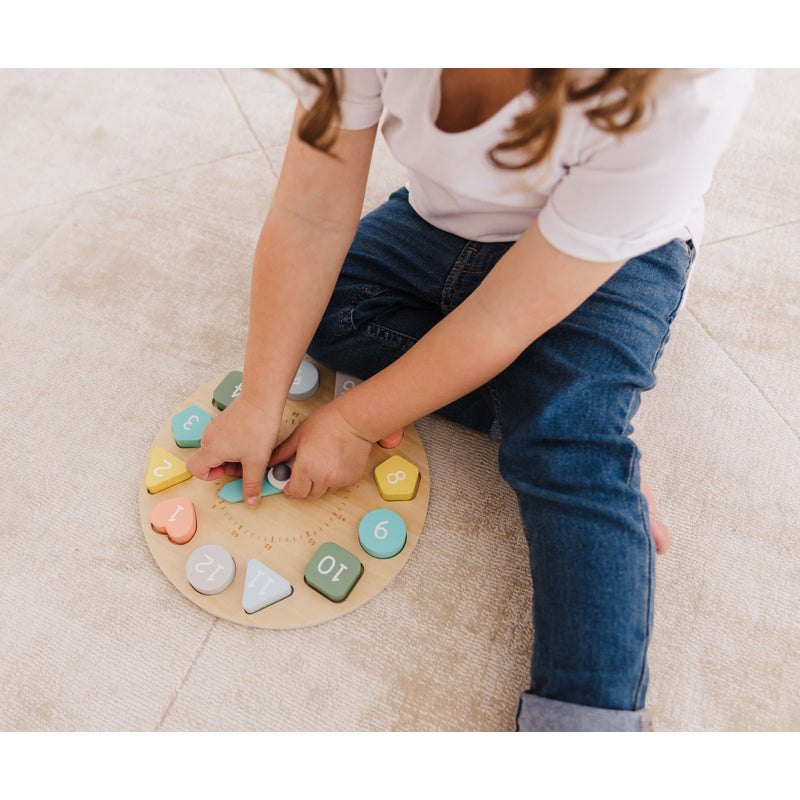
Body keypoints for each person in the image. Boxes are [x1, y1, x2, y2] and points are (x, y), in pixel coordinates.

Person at [187, 68, 753, 731]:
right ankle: (560, 415)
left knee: (569, 447)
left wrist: (356, 420)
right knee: (322, 313)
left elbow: (499, 322)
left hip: (610, 263)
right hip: (442, 225)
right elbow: (311, 215)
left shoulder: (681, 88)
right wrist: (259, 397)